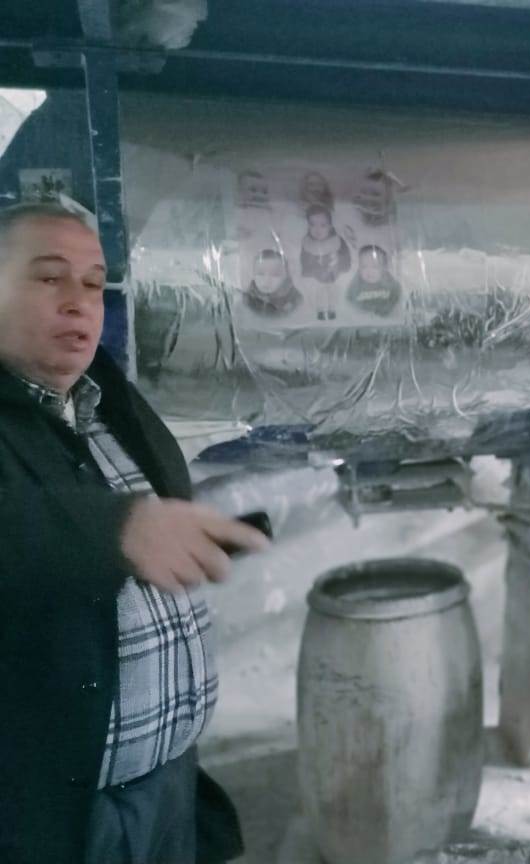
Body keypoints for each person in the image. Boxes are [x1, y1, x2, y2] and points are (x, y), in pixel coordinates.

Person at [0, 202, 270, 863]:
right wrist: (114, 530)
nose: (79, 302)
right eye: (49, 277)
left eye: (94, 283)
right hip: (53, 821)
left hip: (164, 789)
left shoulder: (102, 401)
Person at [346, 244, 401, 317]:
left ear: (384, 269)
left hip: (385, 313)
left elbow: (396, 294)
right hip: (362, 315)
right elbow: (349, 296)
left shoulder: (388, 281)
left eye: (375, 267)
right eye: (364, 267)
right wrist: (357, 310)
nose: (369, 271)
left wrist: (388, 308)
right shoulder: (357, 282)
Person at [244, 248, 302, 317]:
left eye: (275, 275)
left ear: (285, 277)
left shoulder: (293, 299)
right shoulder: (248, 298)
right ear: (253, 275)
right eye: (260, 274)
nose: (267, 280)